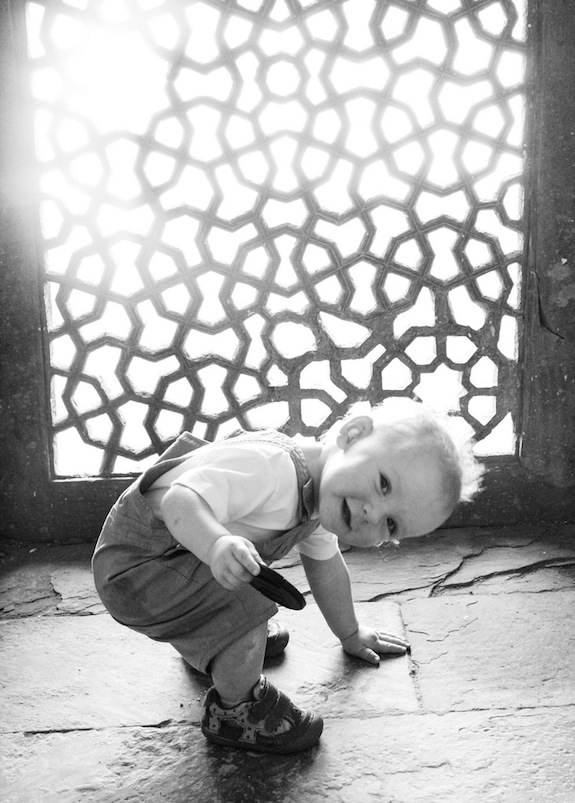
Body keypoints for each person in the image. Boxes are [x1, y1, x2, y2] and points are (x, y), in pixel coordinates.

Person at [92, 398, 483, 754]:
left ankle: (210, 640)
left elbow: (326, 567)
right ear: (352, 434)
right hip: (137, 567)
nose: (372, 514)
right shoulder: (273, 471)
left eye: (391, 524)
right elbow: (179, 499)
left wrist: (350, 633)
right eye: (383, 484)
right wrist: (215, 545)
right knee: (249, 606)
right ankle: (235, 710)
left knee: (240, 592)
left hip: (168, 563)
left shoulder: (321, 494)